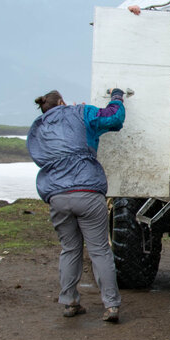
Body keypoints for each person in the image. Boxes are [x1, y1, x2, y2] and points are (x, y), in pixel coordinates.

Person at [26, 88, 126, 323]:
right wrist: (117, 98)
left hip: (57, 196)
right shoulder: (81, 112)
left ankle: (69, 301)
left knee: (69, 249)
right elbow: (114, 119)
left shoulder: (38, 127)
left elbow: (39, 156)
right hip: (88, 192)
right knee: (100, 250)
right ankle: (111, 306)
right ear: (62, 101)